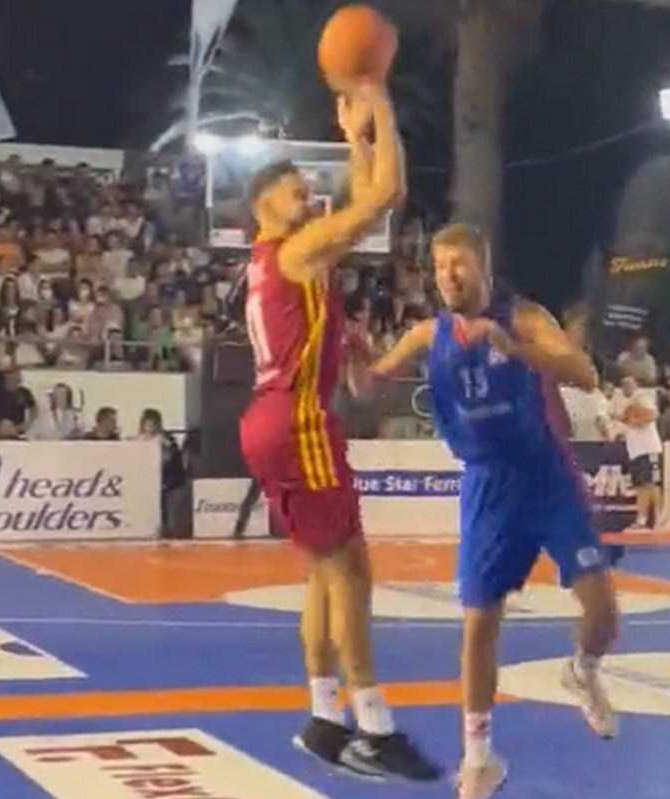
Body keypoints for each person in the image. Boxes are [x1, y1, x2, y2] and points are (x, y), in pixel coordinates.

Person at [362, 223, 619, 799]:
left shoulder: (523, 318)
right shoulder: (427, 335)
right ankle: (478, 758)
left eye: (458, 264)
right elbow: (369, 381)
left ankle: (582, 670)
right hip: (488, 488)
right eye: (438, 267)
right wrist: (352, 358)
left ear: (483, 268)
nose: (447, 276)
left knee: (604, 614)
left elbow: (585, 374)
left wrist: (515, 349)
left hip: (545, 479)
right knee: (479, 624)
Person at [235, 84, 439, 782]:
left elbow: (361, 200)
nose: (309, 200)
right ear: (264, 204)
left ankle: (325, 717)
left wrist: (344, 344)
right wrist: (375, 107)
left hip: (277, 417)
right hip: (296, 421)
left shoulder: (287, 263)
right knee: (349, 572)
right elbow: (385, 194)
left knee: (328, 570)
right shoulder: (293, 252)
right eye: (296, 192)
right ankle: (375, 728)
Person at [611, 375, 663, 529]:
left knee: (652, 484)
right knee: (640, 486)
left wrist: (636, 420)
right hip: (636, 451)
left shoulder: (642, 398)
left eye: (629, 384)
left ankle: (660, 517)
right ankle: (642, 518)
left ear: (636, 385)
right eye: (623, 385)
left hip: (649, 449)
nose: (626, 387)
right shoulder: (622, 403)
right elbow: (623, 419)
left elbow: (653, 414)